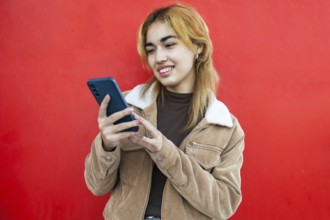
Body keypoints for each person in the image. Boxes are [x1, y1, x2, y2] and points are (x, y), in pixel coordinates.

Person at [84, 3, 245, 220]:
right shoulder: (129, 106)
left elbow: (223, 205)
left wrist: (165, 152)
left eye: (169, 45)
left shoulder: (225, 127)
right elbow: (96, 186)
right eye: (151, 49)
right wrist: (106, 145)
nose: (158, 58)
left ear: (198, 47)